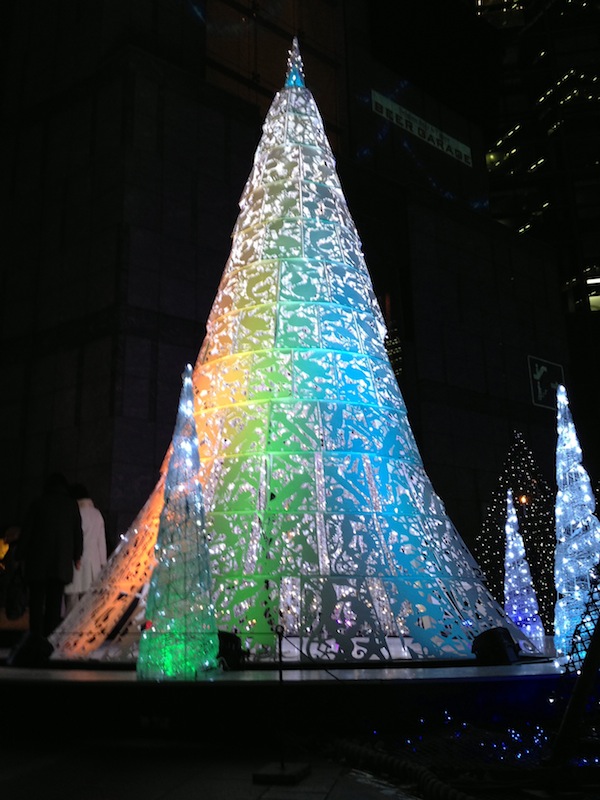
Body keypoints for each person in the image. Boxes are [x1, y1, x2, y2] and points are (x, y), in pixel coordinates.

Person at [16, 472, 83, 640]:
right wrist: (77, 556)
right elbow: (77, 533)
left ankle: (35, 637)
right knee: (54, 603)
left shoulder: (38, 503)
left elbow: (27, 531)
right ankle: (49, 639)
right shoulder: (71, 505)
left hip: (37, 562)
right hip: (60, 563)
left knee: (36, 602)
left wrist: (19, 554)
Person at [63, 483, 107, 613]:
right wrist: (103, 564)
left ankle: (69, 631)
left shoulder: (74, 513)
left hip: (75, 563)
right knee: (87, 606)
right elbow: (101, 542)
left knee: (71, 603)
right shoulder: (97, 514)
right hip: (93, 565)